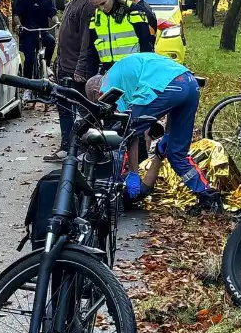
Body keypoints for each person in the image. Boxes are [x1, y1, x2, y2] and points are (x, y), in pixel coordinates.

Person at [87, 53, 222, 215]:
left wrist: (134, 173)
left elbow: (129, 130)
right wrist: (168, 134)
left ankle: (117, 184)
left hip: (168, 87)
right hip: (190, 84)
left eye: (97, 101)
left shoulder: (107, 87)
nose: (102, 104)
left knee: (125, 130)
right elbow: (171, 104)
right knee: (176, 152)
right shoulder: (122, 71)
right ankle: (208, 197)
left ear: (96, 92)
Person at [44, 0, 97, 162]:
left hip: (76, 68)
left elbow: (87, 40)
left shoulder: (85, 3)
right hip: (65, 65)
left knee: (82, 110)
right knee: (64, 107)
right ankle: (67, 147)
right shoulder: (72, 1)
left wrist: (81, 68)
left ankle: (82, 149)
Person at [88, 0, 156, 73]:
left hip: (133, 71)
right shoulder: (96, 17)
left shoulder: (132, 11)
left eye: (103, 3)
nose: (101, 8)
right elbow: (92, 52)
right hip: (108, 73)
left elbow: (146, 44)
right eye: (96, 6)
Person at [12, 0, 58, 102]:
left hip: (42, 31)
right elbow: (16, 15)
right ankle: (27, 89)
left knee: (51, 41)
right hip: (28, 32)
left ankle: (47, 66)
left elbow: (53, 14)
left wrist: (57, 21)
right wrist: (19, 25)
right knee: (30, 59)